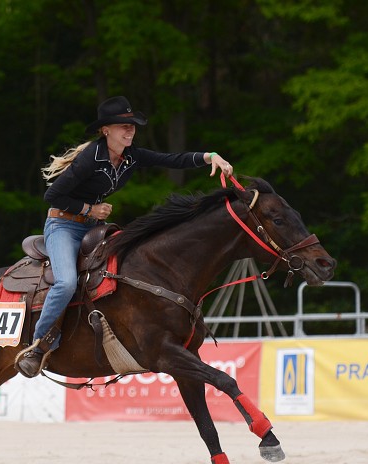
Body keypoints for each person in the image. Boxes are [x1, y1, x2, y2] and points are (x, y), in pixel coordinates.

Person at [15, 96, 234, 378]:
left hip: (93, 226)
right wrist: (89, 209)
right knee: (67, 281)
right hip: (63, 226)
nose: (130, 130)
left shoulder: (131, 156)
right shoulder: (89, 158)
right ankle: (38, 345)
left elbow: (171, 159)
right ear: (106, 130)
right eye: (123, 126)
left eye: (132, 125)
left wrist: (210, 157)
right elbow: (52, 195)